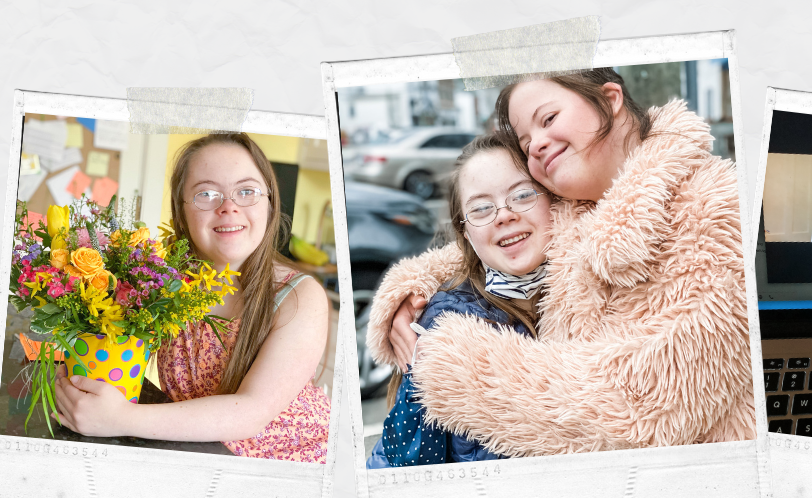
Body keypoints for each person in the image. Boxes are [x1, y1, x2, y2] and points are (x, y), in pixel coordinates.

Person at [367, 69, 754, 458]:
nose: (536, 144)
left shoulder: (714, 208)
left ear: (609, 99)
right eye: (525, 141)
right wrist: (416, 288)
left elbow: (645, 410)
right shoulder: (585, 199)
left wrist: (456, 364)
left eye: (548, 119)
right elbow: (501, 239)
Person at [53, 133, 332, 463]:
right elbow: (110, 334)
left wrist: (118, 418)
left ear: (270, 203)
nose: (229, 206)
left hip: (287, 470)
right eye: (207, 194)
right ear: (182, 212)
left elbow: (251, 412)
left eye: (247, 191)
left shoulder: (299, 295)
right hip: (203, 453)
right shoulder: (163, 279)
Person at [366, 134, 552, 468]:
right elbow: (403, 464)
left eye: (522, 194)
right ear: (465, 232)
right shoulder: (445, 323)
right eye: (481, 208)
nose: (504, 215)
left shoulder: (597, 294)